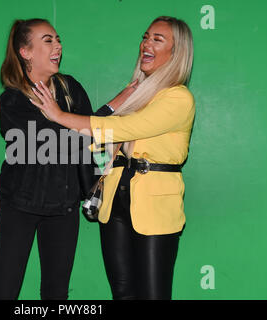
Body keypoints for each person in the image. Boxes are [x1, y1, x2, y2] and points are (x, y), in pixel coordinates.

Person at [30, 16, 195, 300]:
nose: (147, 43)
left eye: (158, 39)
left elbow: (123, 128)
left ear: (176, 52)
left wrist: (60, 116)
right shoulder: (139, 95)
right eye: (146, 37)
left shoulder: (178, 98)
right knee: (121, 293)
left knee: (153, 295)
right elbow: (103, 141)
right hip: (115, 200)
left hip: (154, 205)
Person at [0, 18, 135, 300]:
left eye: (58, 39)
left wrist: (102, 124)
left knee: (56, 294)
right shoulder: (13, 100)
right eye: (48, 40)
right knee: (3, 292)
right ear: (25, 51)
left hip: (64, 207)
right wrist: (113, 104)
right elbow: (55, 140)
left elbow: (89, 136)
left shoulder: (70, 88)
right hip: (20, 205)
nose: (58, 46)